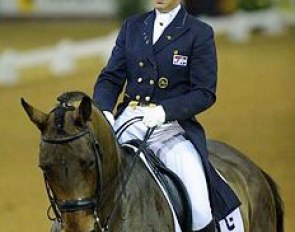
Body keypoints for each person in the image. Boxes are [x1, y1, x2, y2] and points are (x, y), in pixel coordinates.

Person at [93, 0, 241, 231]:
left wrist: (165, 111)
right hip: (127, 120)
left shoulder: (198, 32)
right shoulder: (133, 26)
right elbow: (110, 78)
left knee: (200, 206)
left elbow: (204, 92)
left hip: (170, 128)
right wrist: (103, 112)